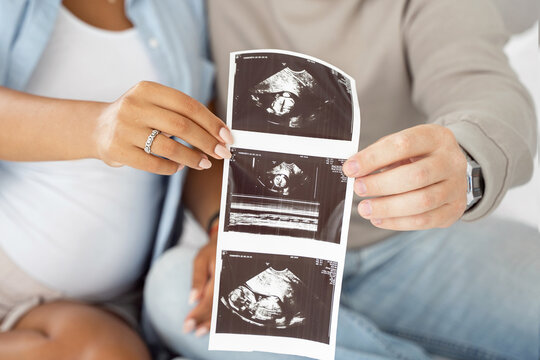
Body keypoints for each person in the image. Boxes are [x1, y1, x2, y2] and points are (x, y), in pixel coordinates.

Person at [144, 0, 540, 359]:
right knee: (173, 290)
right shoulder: (203, 8)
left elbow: (487, 89)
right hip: (273, 252)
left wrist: (465, 159)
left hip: (413, 241)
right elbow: (197, 122)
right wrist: (220, 225)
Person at [0, 0, 229, 359]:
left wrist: (219, 228)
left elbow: (205, 142)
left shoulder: (189, 8)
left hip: (114, 310)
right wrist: (96, 127)